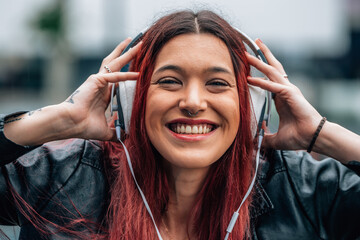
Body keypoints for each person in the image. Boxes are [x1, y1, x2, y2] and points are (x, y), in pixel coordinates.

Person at [1, 10, 360, 240]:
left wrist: (320, 134)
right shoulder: (58, 177)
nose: (192, 102)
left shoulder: (305, 191)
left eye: (217, 83)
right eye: (169, 81)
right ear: (131, 100)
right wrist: (58, 120)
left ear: (251, 105)